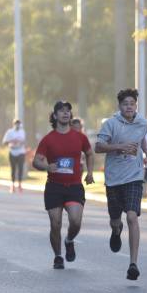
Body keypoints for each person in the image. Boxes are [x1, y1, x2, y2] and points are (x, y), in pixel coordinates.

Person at [95, 88, 147, 281]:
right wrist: (119, 147)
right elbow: (98, 146)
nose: (129, 107)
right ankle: (115, 230)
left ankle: (133, 264)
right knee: (116, 219)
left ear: (136, 106)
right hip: (113, 179)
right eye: (125, 104)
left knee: (132, 217)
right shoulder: (111, 124)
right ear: (119, 106)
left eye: (132, 104)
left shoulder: (143, 123)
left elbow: (141, 138)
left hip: (134, 177)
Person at [33, 101, 95, 269]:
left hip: (74, 186)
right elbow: (36, 161)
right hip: (54, 186)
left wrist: (89, 173)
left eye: (68, 111)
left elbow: (89, 153)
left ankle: (69, 240)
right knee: (55, 223)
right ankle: (58, 256)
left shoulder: (79, 137)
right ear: (55, 116)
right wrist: (47, 166)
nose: (65, 113)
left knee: (75, 221)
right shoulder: (48, 139)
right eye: (61, 111)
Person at [2, 119, 27, 193]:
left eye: (19, 124)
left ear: (20, 124)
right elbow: (4, 142)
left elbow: (24, 141)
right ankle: (12, 185)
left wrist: (21, 142)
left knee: (20, 169)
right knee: (13, 169)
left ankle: (19, 185)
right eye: (16, 124)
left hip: (21, 152)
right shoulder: (10, 132)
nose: (17, 125)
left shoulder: (22, 132)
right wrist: (11, 141)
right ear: (13, 124)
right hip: (12, 152)